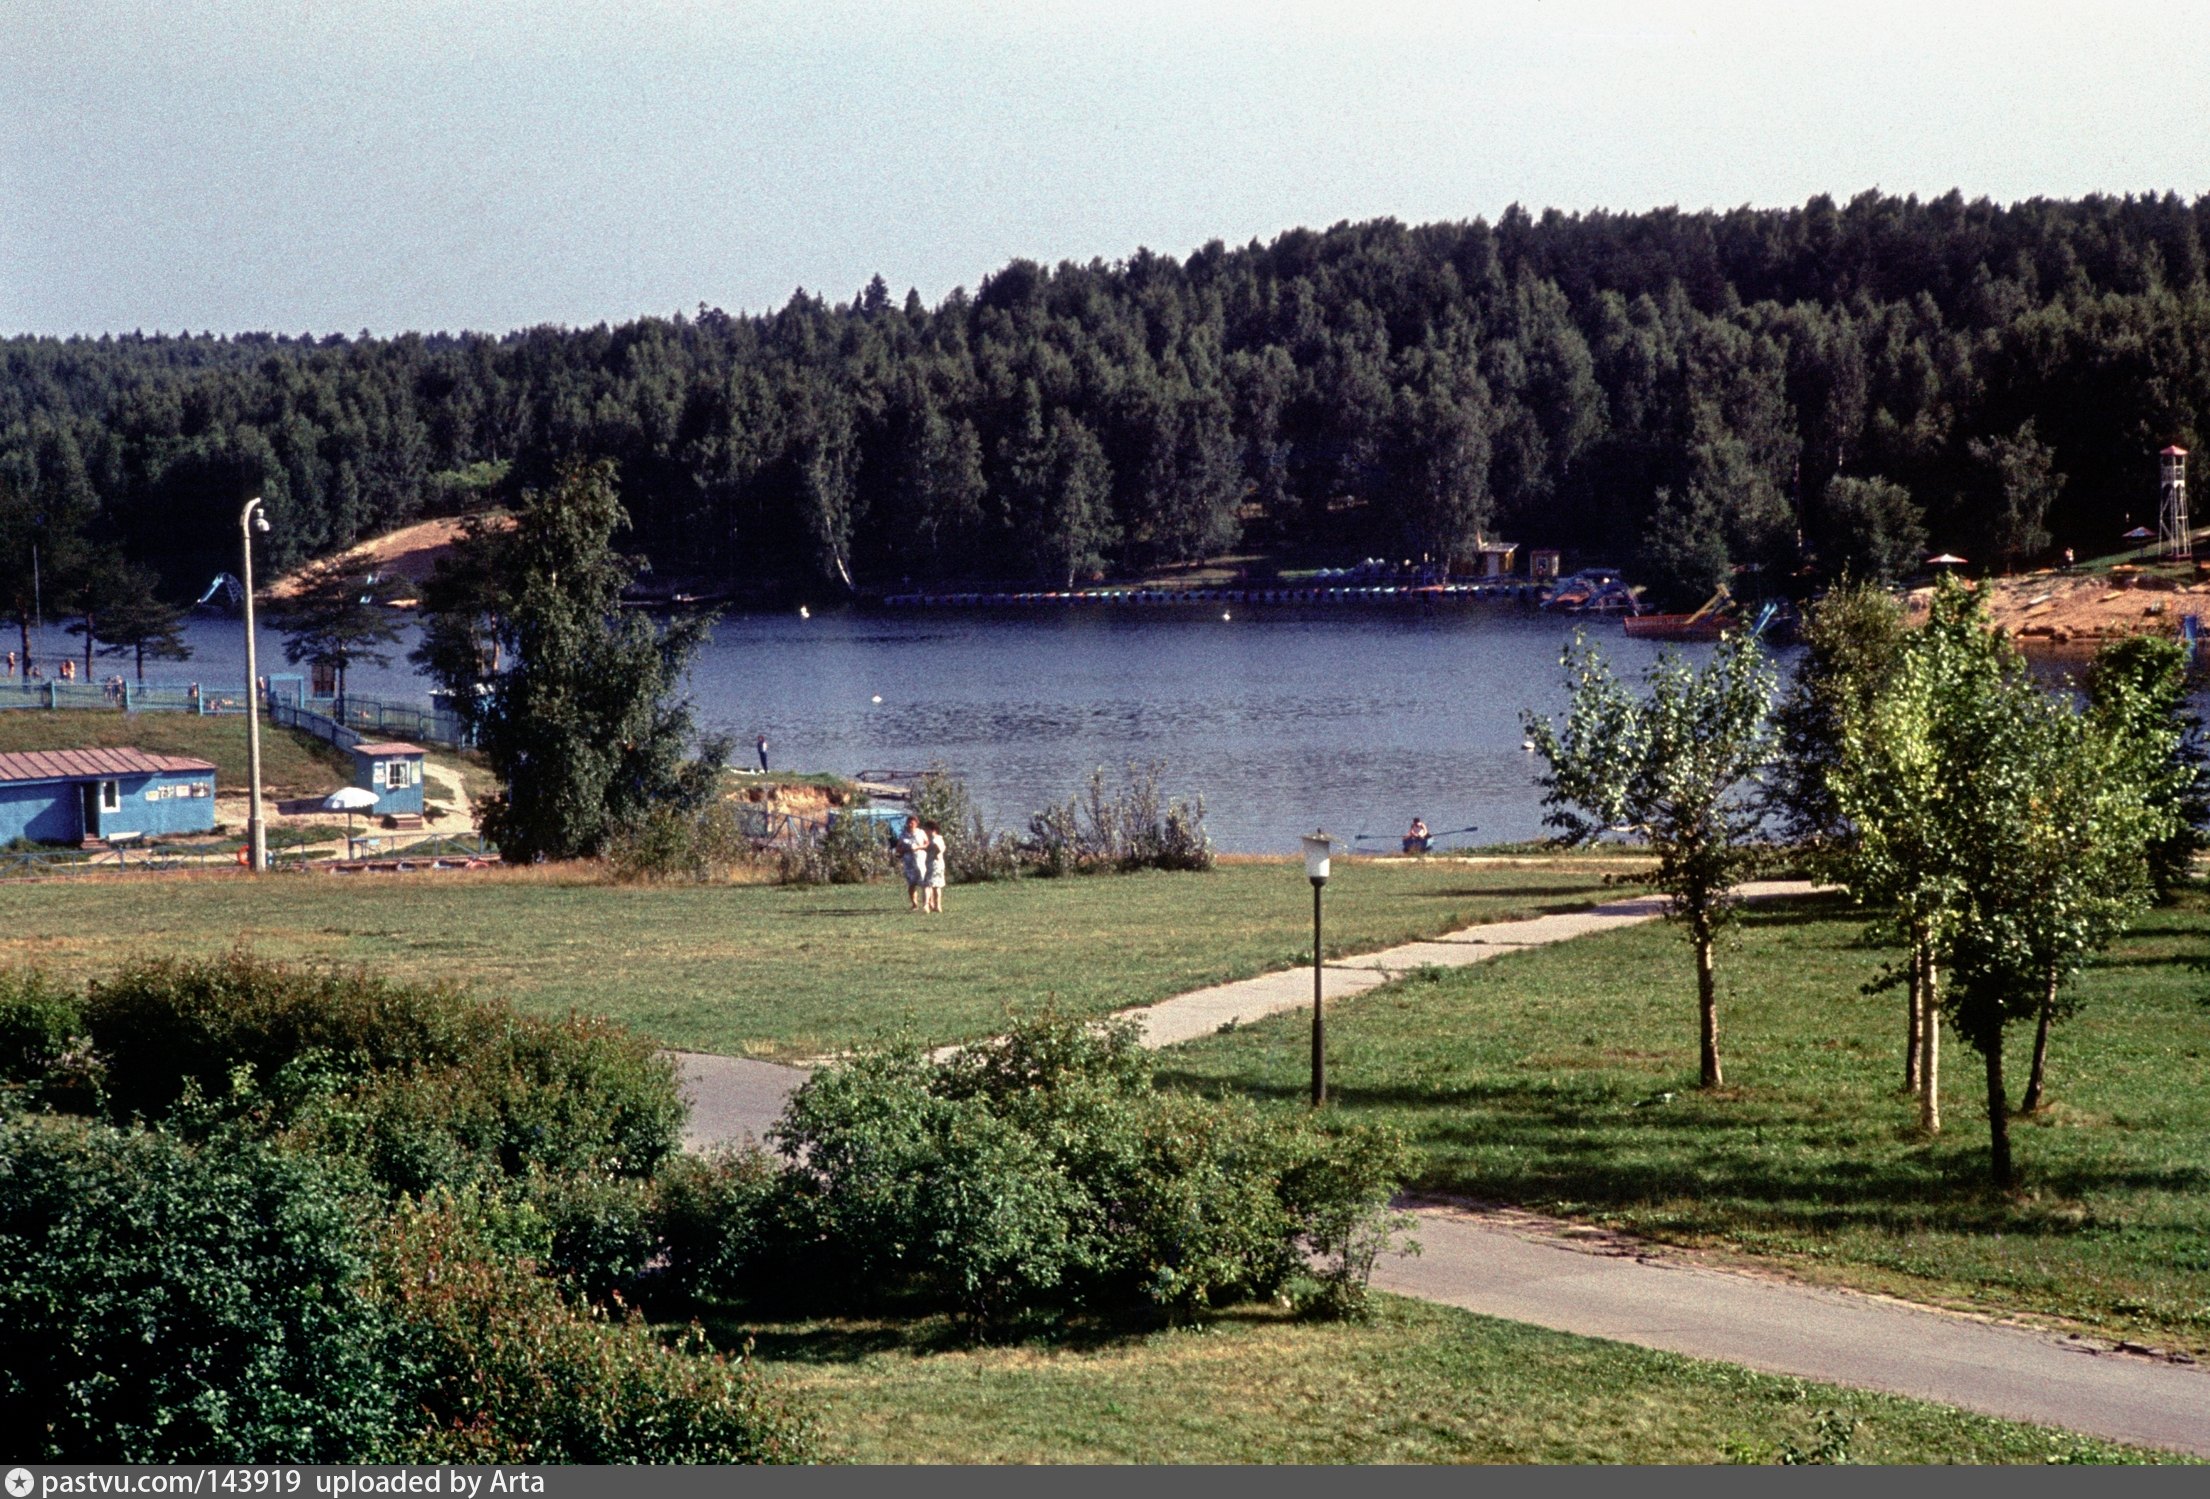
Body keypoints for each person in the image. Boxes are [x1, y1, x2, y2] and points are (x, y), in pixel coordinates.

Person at [897, 815, 929, 912]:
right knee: (911, 883)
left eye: (912, 822)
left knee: (924, 882)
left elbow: (927, 843)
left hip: (920, 860)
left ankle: (926, 904)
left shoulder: (921, 832)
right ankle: (914, 904)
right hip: (908, 861)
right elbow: (898, 847)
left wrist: (918, 847)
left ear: (916, 823)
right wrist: (902, 850)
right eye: (909, 822)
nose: (910, 824)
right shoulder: (903, 834)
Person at [922, 819, 947, 914]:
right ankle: (938, 906)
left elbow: (939, 848)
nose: (925, 832)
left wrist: (938, 853)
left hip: (933, 865)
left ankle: (926, 905)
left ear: (932, 830)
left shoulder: (934, 839)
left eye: (926, 829)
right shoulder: (940, 838)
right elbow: (944, 847)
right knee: (937, 886)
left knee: (927, 885)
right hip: (940, 865)